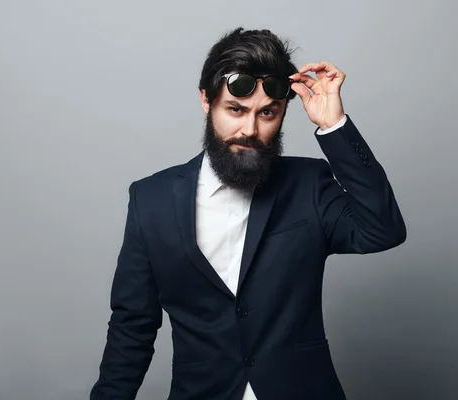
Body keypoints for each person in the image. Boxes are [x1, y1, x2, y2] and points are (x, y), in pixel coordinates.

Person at [89, 27, 406, 400]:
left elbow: (382, 230)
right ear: (206, 101)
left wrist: (333, 126)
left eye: (268, 113)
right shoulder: (150, 200)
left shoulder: (309, 184)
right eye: (235, 110)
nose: (249, 129)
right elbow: (132, 327)